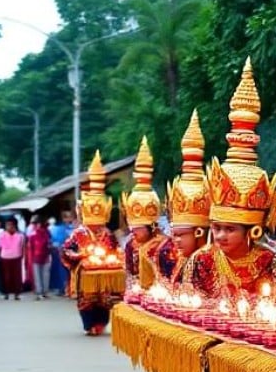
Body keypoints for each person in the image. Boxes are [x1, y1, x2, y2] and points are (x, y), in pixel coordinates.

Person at [183, 59, 276, 297]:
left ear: (252, 231)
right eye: (216, 228)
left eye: (229, 229)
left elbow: (275, 305)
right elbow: (189, 306)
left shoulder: (269, 260)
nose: (220, 235)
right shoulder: (202, 259)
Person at [62, 151, 125, 334]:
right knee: (87, 299)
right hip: (86, 272)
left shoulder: (107, 233)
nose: (97, 225)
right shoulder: (78, 233)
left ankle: (101, 323)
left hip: (105, 270)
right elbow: (66, 251)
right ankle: (89, 325)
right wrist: (80, 255)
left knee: (105, 298)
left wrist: (116, 257)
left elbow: (116, 249)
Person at [162, 109, 211, 284]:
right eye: (174, 234)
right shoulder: (172, 256)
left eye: (181, 234)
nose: (176, 240)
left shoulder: (212, 262)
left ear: (199, 232)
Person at [120, 136, 172, 290]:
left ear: (152, 225)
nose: (132, 231)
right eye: (131, 227)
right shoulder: (131, 244)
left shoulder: (164, 245)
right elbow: (129, 271)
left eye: (137, 227)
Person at [0, 217, 25, 300]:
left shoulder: (20, 236)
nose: (9, 227)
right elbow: (0, 247)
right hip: (5, 257)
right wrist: (0, 256)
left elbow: (22, 247)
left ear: (15, 225)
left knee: (16, 276)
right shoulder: (2, 235)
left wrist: (22, 256)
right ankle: (6, 293)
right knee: (6, 276)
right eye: (7, 225)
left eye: (11, 225)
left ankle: (17, 293)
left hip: (16, 257)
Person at [27, 215, 53, 299]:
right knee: (40, 275)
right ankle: (40, 292)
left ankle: (42, 292)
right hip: (37, 257)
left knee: (43, 275)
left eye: (37, 223)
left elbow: (49, 244)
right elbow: (30, 247)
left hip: (43, 256)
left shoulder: (45, 233)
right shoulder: (34, 234)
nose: (36, 225)